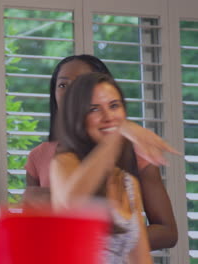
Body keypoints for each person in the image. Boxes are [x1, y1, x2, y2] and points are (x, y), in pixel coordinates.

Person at [24, 54, 178, 250]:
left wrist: (105, 243)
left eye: (82, 84)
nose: (71, 92)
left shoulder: (135, 152)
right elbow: (33, 227)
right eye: (63, 85)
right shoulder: (39, 156)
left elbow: (168, 232)